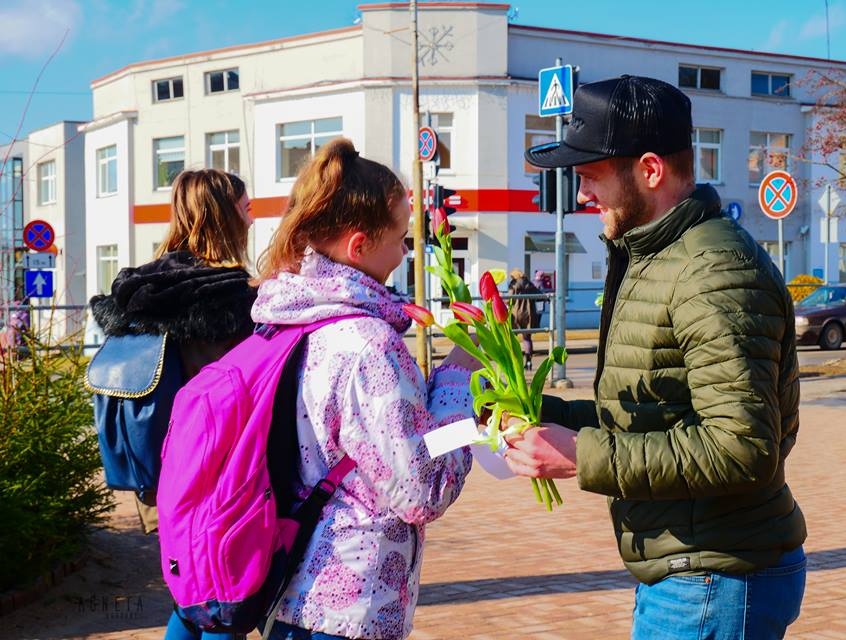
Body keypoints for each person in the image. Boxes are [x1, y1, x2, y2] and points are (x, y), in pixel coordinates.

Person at [509, 75, 807, 639]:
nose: (579, 196)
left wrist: (583, 456)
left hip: (713, 576)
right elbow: (652, 414)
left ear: (649, 170)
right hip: (690, 570)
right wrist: (540, 415)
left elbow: (742, 447)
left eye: (591, 177)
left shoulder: (711, 271)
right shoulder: (655, 255)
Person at [251, 137, 476, 640]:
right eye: (399, 238)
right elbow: (424, 488)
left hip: (292, 583)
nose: (404, 251)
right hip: (352, 607)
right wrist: (458, 385)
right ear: (360, 245)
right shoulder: (368, 344)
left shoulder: (284, 318)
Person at [89, 168, 257, 640]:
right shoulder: (232, 299)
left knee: (192, 598)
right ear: (227, 215)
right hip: (220, 476)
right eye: (245, 209)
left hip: (158, 474)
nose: (251, 219)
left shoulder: (141, 291)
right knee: (225, 602)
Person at [507, 268, 541, 370]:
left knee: (512, 337)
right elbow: (538, 295)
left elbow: (509, 299)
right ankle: (529, 361)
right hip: (529, 313)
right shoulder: (529, 283)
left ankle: (515, 361)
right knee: (527, 338)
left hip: (516, 313)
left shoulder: (513, 284)